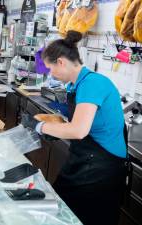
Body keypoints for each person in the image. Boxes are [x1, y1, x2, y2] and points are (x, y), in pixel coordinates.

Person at [22, 30, 127, 225]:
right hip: (86, 159)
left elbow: (78, 130)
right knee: (63, 209)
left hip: (101, 170)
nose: (50, 74)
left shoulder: (93, 83)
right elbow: (76, 122)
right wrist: (55, 126)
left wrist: (41, 126)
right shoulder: (76, 85)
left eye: (50, 69)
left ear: (61, 62)